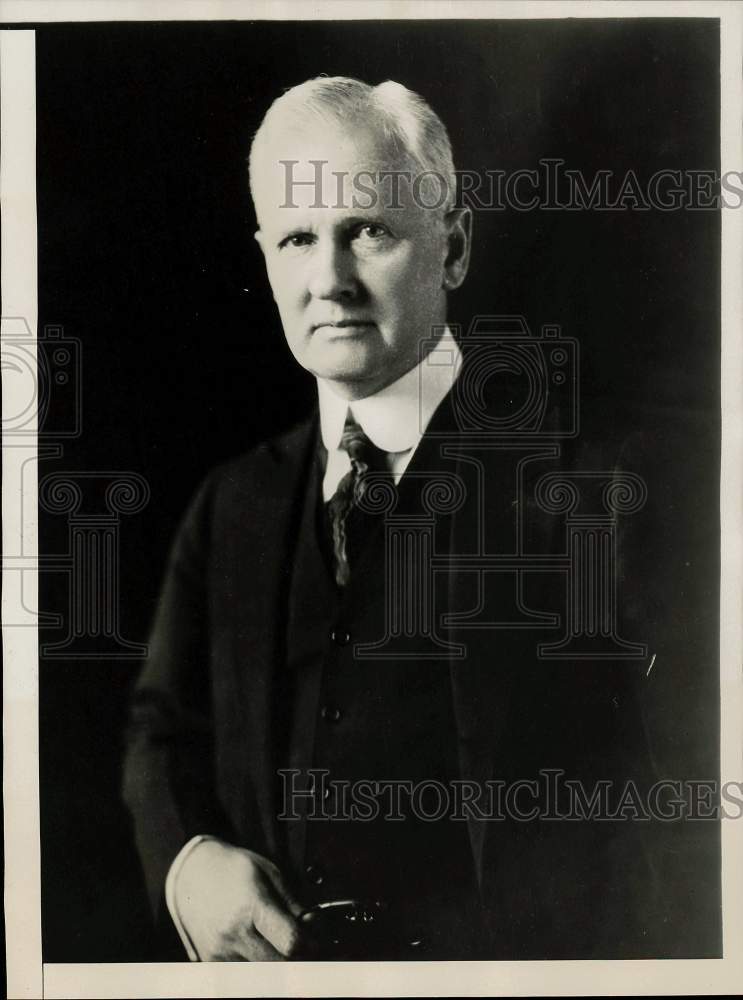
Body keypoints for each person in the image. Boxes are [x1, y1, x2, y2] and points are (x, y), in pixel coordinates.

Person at [123, 76, 671, 962]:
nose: (329, 280)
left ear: (452, 247)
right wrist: (190, 866)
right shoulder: (233, 505)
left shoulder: (602, 481)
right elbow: (163, 729)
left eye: (368, 231)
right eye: (298, 238)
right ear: (266, 261)